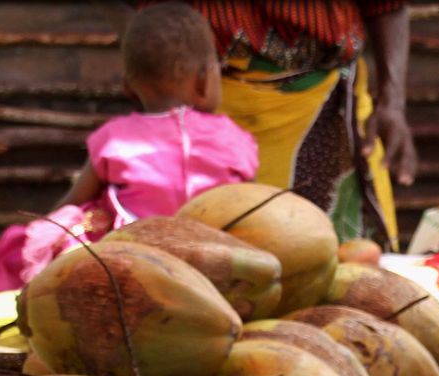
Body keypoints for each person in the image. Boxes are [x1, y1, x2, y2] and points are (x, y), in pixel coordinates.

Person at [0, 2, 258, 293]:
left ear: (128, 87)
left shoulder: (115, 139)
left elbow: (72, 202)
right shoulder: (234, 138)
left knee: (63, 223)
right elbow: (251, 209)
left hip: (130, 269)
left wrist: (42, 237)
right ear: (204, 80)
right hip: (216, 268)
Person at [103, 0, 417, 249]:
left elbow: (386, 5)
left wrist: (393, 103)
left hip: (327, 111)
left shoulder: (117, 145)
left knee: (347, 284)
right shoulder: (149, 146)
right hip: (208, 102)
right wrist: (161, 68)